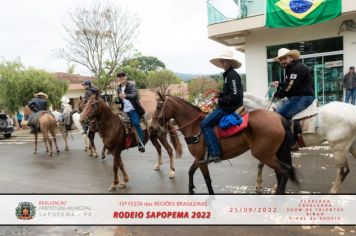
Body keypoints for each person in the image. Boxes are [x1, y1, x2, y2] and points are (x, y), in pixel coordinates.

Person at [200, 50, 243, 164]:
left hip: (228, 108)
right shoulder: (228, 75)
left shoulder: (232, 75)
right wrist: (221, 94)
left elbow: (235, 95)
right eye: (222, 61)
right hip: (227, 105)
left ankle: (215, 153)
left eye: (225, 61)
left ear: (230, 62)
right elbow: (231, 93)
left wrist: (220, 100)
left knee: (204, 124)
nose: (223, 63)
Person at [272, 48, 315, 119]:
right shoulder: (292, 68)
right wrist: (280, 84)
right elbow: (291, 83)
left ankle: (287, 130)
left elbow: (290, 86)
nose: (283, 61)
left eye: (285, 58)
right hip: (297, 97)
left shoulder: (296, 68)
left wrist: (278, 94)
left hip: (303, 98)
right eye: (281, 60)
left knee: (278, 115)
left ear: (291, 58)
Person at [115, 71, 146, 153]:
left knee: (136, 123)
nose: (121, 77)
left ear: (126, 77)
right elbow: (119, 100)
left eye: (123, 76)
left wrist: (126, 96)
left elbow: (135, 95)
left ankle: (141, 142)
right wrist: (117, 100)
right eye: (119, 76)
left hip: (133, 109)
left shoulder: (131, 86)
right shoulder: (118, 88)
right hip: (124, 110)